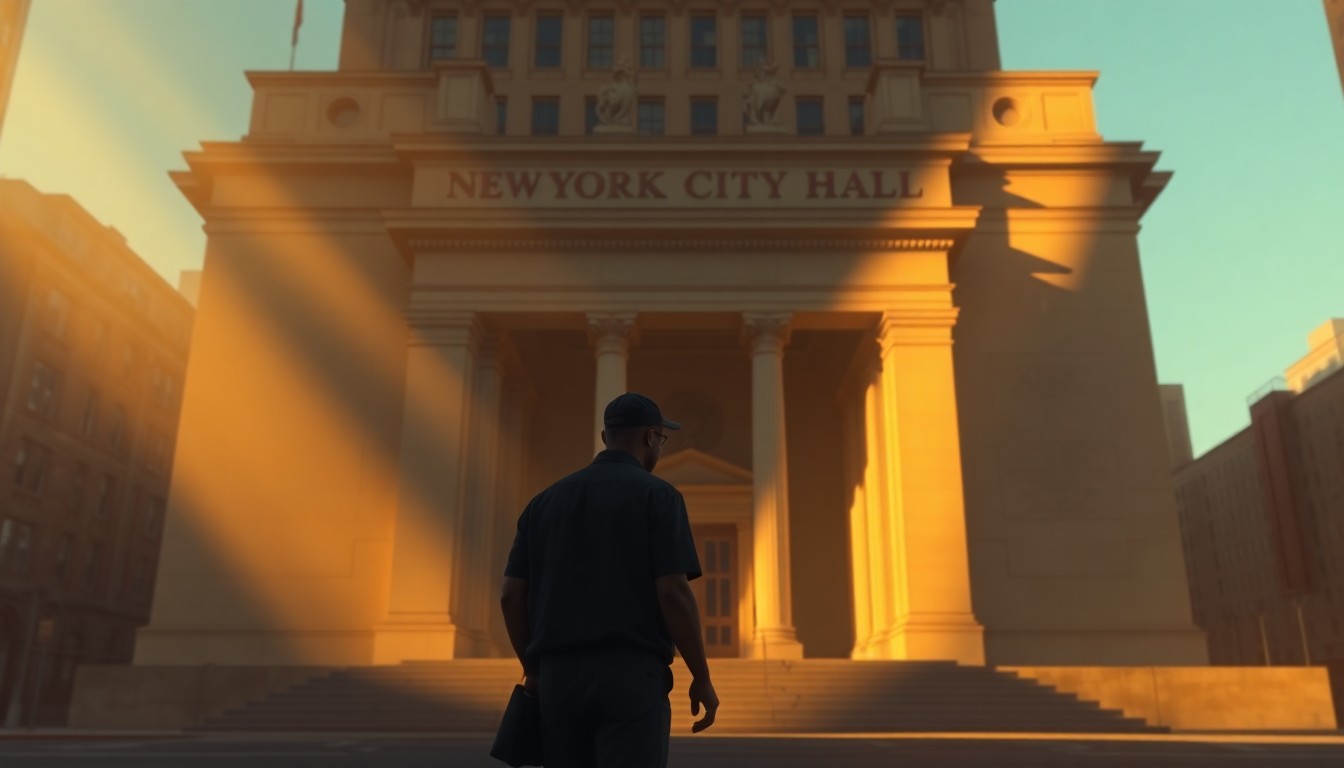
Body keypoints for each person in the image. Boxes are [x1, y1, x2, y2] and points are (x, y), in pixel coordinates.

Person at [500, 392, 720, 768]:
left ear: (605, 438)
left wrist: (534, 669)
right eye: (661, 440)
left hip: (559, 680)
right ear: (652, 437)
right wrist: (700, 675)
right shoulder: (659, 497)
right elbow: (672, 591)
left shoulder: (543, 503)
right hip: (630, 676)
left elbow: (510, 595)